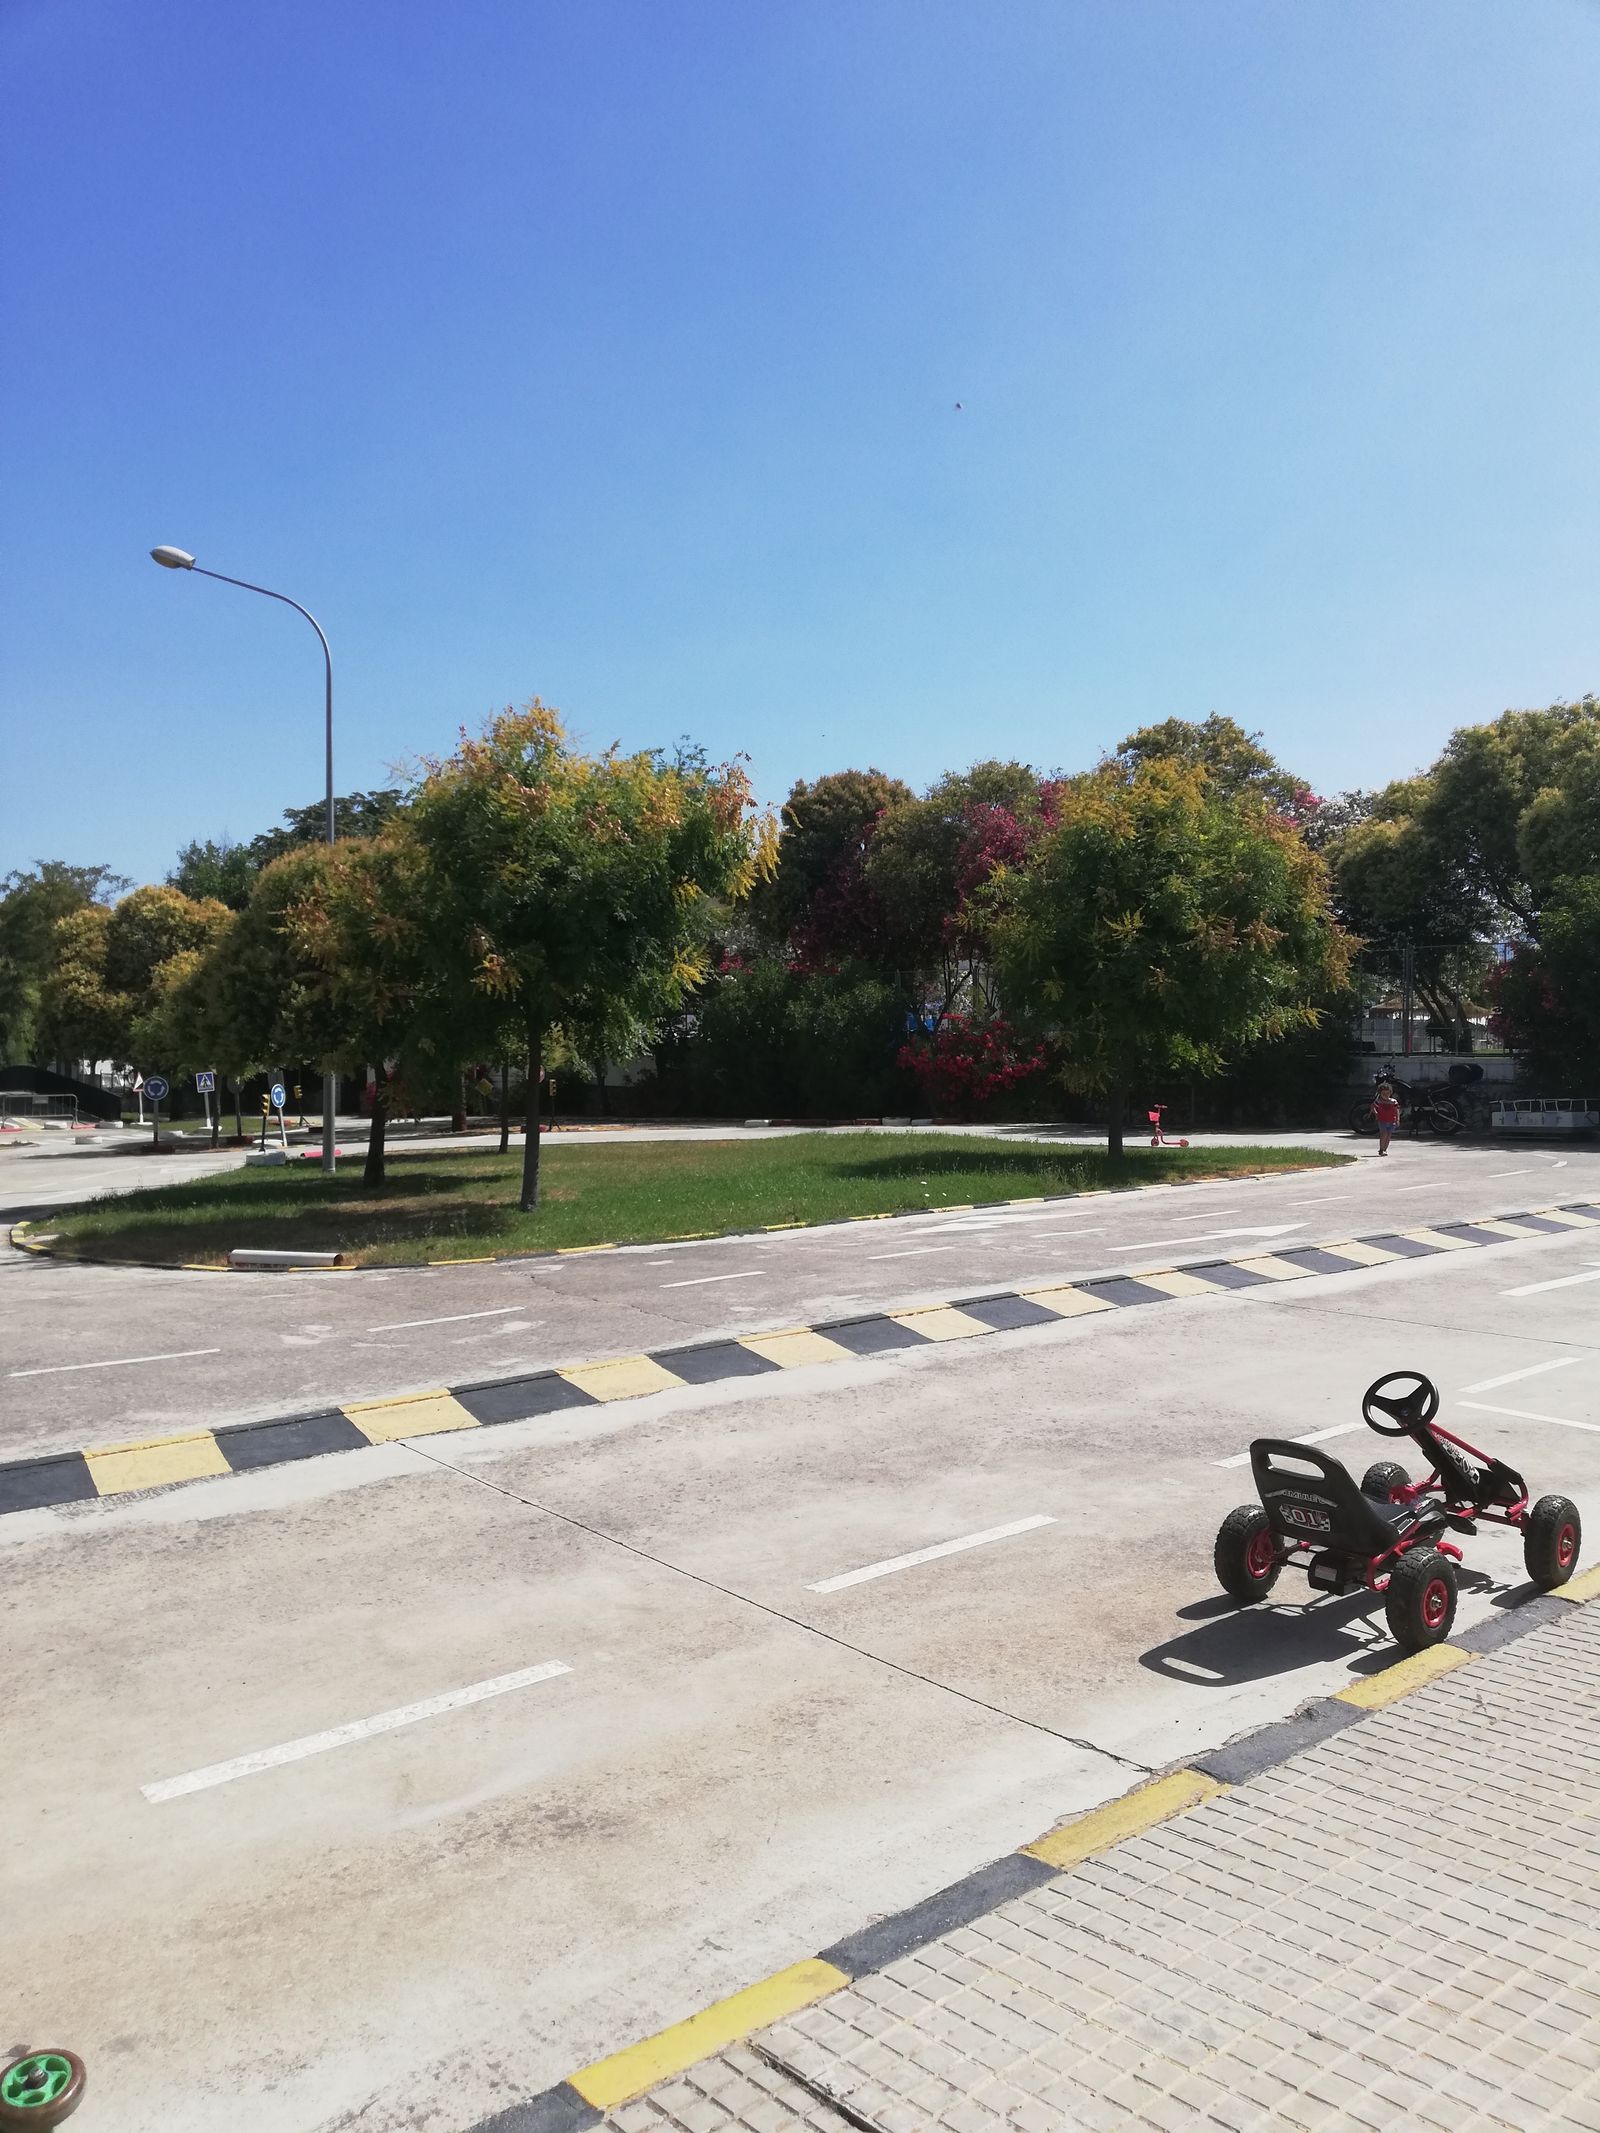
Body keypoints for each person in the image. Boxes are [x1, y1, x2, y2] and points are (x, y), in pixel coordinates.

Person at [1373, 1079, 1400, 1156]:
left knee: (1388, 1135)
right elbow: (1373, 1107)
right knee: (1383, 1134)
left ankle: (1385, 1149)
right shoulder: (1378, 1101)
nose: (1386, 1095)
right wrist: (1376, 1113)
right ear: (1380, 1093)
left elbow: (1396, 1110)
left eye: (1387, 1093)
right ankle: (1381, 1149)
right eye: (1383, 1093)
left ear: (1390, 1093)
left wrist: (1398, 1119)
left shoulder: (1393, 1102)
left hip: (1392, 1121)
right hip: (1382, 1120)